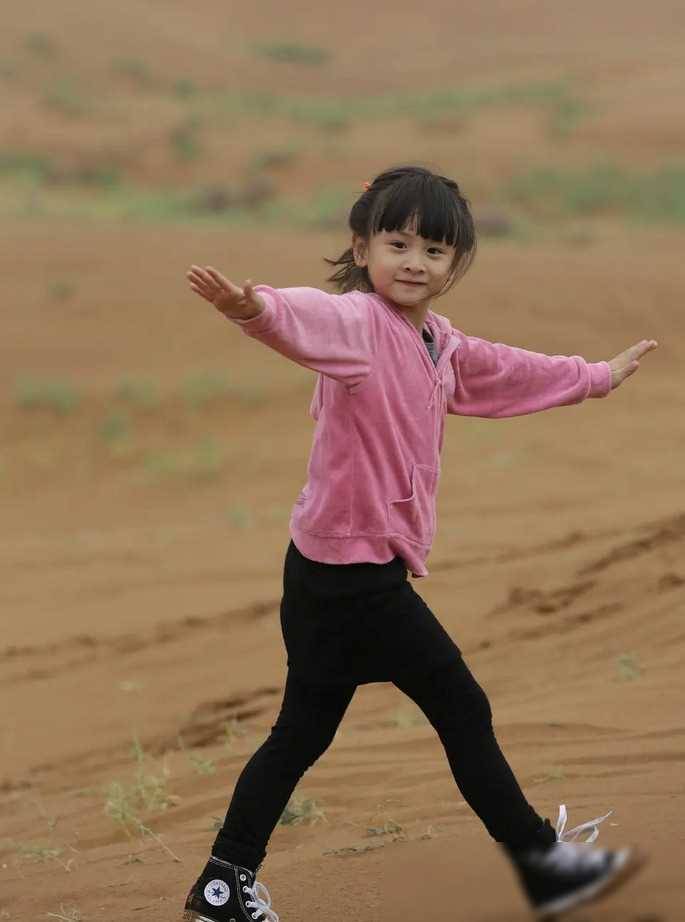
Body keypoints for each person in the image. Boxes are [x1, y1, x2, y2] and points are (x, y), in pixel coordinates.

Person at [182, 164, 656, 922]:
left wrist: (594, 375)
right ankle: (543, 865)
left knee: (299, 734)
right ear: (362, 246)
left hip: (327, 570)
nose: (413, 262)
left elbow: (502, 370)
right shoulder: (361, 326)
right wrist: (254, 309)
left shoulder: (434, 341)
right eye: (396, 243)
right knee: (460, 706)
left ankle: (222, 883)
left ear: (453, 264)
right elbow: (307, 317)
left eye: (434, 251)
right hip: (352, 577)